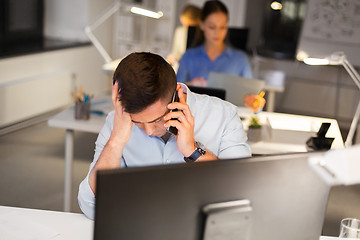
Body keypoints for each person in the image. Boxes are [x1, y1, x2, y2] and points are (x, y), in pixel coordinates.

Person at [78, 52, 251, 219]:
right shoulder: (117, 122)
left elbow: (243, 196)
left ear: (176, 94)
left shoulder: (223, 115)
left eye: (157, 120)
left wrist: (193, 151)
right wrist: (116, 141)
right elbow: (90, 206)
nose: (149, 131)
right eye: (137, 122)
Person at [176, 0, 252, 86]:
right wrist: (189, 86)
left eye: (222, 27)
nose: (217, 33)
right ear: (202, 25)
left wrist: (254, 99)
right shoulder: (188, 57)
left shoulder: (241, 59)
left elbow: (250, 94)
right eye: (212, 27)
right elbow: (175, 92)